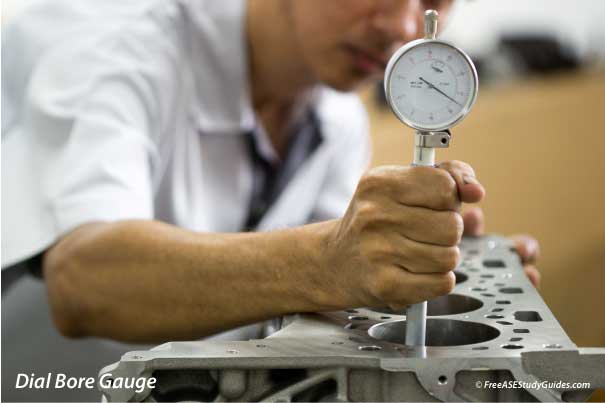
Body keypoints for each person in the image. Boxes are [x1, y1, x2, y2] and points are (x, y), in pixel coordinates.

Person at [1, 0, 540, 400]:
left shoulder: (336, 116)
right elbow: (86, 281)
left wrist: (412, 277)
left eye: (435, 2)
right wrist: (329, 258)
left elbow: (297, 313)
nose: (402, 27)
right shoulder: (115, 47)